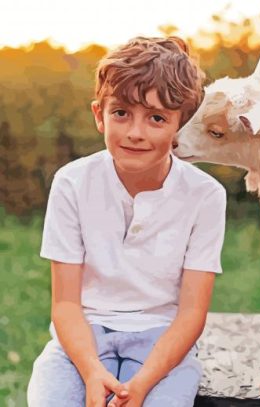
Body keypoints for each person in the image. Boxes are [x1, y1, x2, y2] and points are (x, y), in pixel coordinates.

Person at [27, 35, 226, 407]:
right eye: (122, 113)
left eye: (156, 118)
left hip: (162, 343)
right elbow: (66, 304)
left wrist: (142, 384)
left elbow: (191, 312)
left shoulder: (206, 195)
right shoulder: (72, 182)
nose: (136, 132)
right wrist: (90, 371)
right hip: (81, 340)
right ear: (99, 115)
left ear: (179, 126)